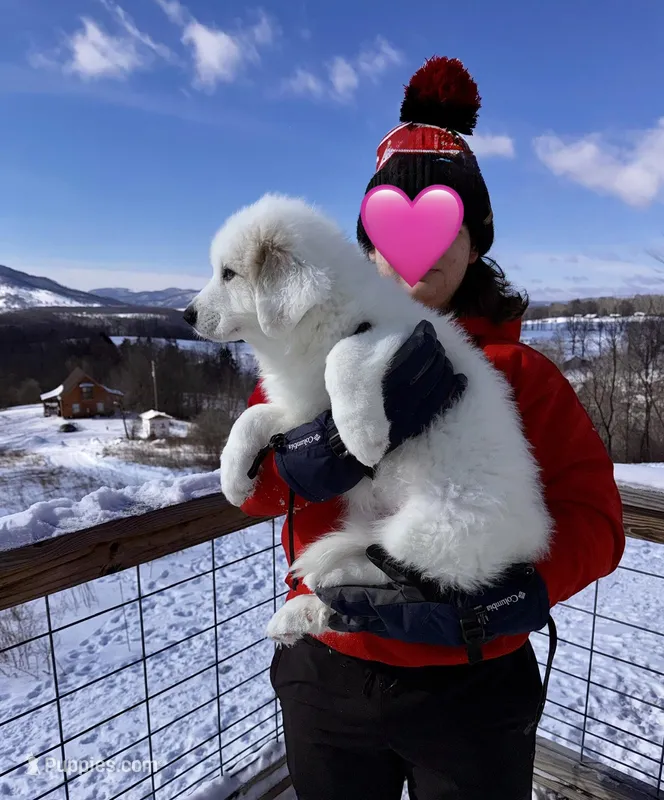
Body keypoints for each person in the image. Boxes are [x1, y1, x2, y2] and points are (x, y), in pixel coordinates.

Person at [238, 56, 625, 800]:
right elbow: (254, 494)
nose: (416, 250)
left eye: (443, 221)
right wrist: (307, 457)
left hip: (474, 684)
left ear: (475, 239)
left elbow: (597, 521)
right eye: (392, 220)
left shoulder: (518, 374)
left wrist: (518, 589)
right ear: (367, 242)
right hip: (328, 669)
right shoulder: (310, 360)